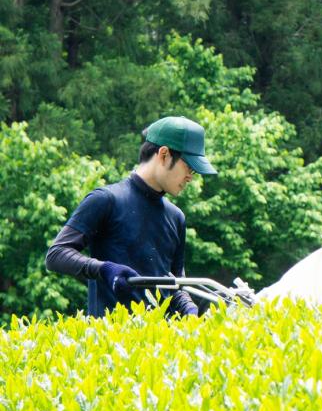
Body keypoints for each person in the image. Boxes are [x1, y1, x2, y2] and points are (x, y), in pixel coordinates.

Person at [46, 116, 217, 316]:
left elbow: (175, 282)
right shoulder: (106, 200)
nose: (190, 176)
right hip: (110, 341)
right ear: (164, 154)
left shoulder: (176, 217)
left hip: (161, 342)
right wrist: (105, 269)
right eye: (188, 166)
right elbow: (56, 254)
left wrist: (188, 307)